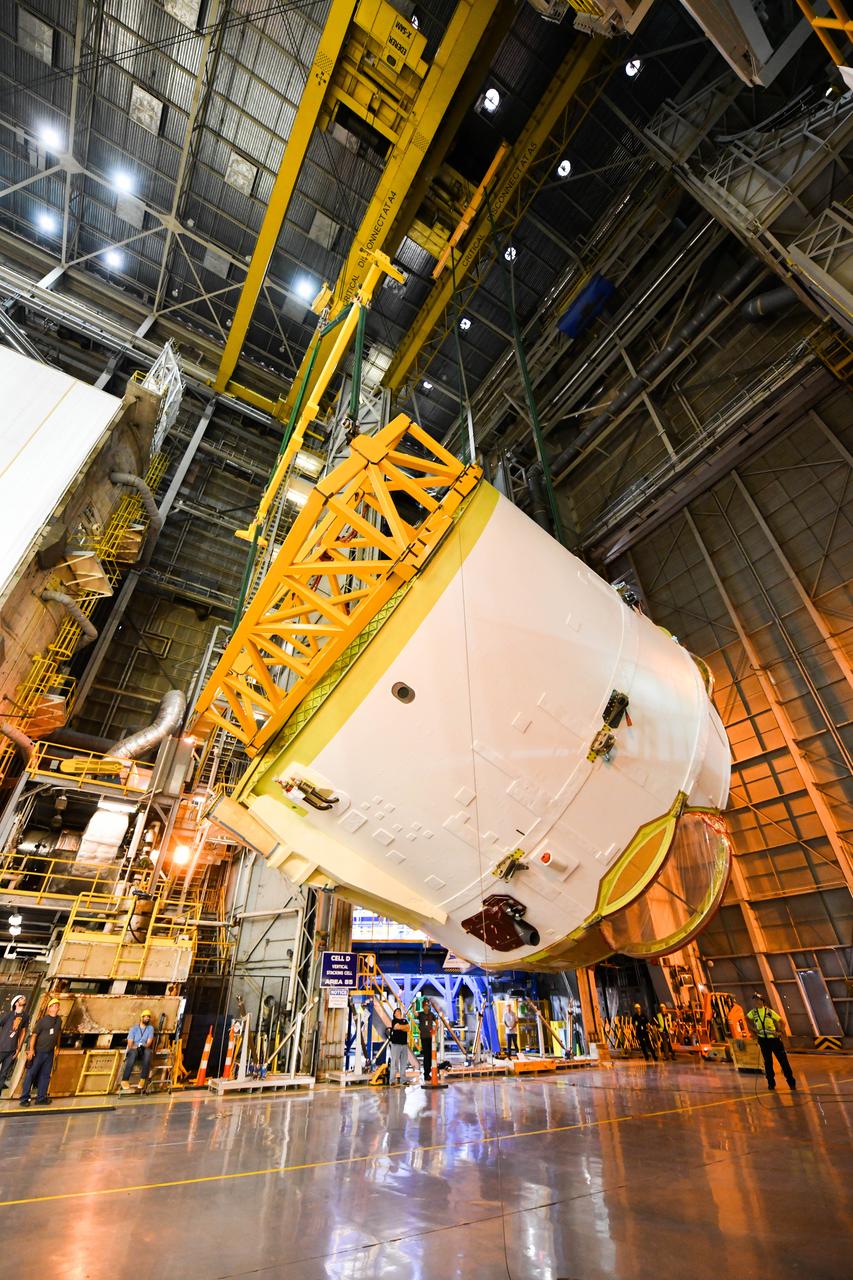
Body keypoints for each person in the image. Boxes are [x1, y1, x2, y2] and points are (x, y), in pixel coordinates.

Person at [747, 993, 796, 1091]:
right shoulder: (753, 1012)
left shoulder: (769, 1012)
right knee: (768, 1063)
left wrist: (779, 1032)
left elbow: (782, 1022)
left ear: (762, 1001)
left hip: (774, 1040)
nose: (756, 1002)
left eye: (758, 1000)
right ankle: (771, 1084)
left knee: (783, 1062)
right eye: (754, 1000)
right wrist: (753, 1030)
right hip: (763, 1040)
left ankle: (791, 1083)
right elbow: (746, 1019)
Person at [19, 996, 62, 1106]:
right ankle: (24, 1099)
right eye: (54, 1005)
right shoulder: (42, 1021)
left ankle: (41, 1098)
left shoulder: (59, 1020)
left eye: (57, 1005)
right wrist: (31, 1050)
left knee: (45, 1075)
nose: (56, 1007)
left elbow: (58, 1034)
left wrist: (57, 1047)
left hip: (50, 1052)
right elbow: (34, 1035)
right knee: (31, 1074)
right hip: (38, 1052)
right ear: (49, 1008)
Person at [120, 1010, 156, 1092]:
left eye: (148, 1017)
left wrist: (143, 1046)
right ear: (141, 1018)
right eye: (146, 1017)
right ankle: (124, 1080)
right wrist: (136, 1047)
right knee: (132, 1054)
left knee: (148, 1052)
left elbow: (149, 1043)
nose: (147, 1018)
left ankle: (143, 1079)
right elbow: (130, 1044)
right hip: (134, 1048)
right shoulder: (134, 1029)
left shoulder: (150, 1028)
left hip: (143, 1048)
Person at [0, 995, 29, 1092]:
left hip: (12, 1050)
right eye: (20, 999)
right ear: (16, 1003)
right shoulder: (8, 1015)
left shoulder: (25, 1016)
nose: (23, 999)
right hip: (1, 1047)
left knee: (4, 1073)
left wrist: (18, 1048)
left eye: (23, 998)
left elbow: (23, 1032)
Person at [389, 1004, 410, 1086]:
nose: (398, 1012)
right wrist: (403, 1027)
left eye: (399, 1011)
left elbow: (408, 1028)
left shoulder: (405, 1020)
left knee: (403, 1063)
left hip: (404, 1045)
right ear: (394, 1014)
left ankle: (403, 1080)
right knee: (394, 1062)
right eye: (396, 1011)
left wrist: (402, 1027)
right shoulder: (394, 1021)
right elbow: (397, 1027)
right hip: (395, 1044)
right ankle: (392, 1081)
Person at [417, 1000, 436, 1081]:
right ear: (423, 1006)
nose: (426, 1007)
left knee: (431, 1056)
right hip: (424, 1038)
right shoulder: (421, 1014)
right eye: (425, 1006)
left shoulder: (431, 1015)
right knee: (426, 1056)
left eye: (427, 1006)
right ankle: (426, 1074)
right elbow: (415, 1013)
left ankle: (429, 1073)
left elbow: (437, 1021)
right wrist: (413, 1005)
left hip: (431, 1038)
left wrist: (435, 1029)